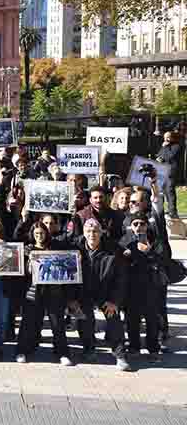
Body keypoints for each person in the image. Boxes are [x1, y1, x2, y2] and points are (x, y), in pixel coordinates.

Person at [15, 222, 80, 366]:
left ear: (46, 233)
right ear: (32, 234)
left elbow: (69, 255)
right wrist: (29, 265)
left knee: (57, 324)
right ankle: (22, 351)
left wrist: (75, 259)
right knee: (28, 323)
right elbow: (22, 273)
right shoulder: (28, 250)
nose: (39, 236)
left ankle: (62, 352)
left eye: (42, 233)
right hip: (33, 292)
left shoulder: (56, 247)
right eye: (36, 233)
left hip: (54, 292)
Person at [74, 219, 130, 371]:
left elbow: (121, 279)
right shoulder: (75, 246)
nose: (92, 234)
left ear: (102, 232)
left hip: (106, 291)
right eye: (89, 231)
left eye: (96, 231)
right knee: (84, 318)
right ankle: (89, 349)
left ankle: (119, 354)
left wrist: (114, 301)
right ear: (84, 233)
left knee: (114, 319)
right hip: (84, 291)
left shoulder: (113, 249)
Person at [121, 211, 168, 362]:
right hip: (132, 288)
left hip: (151, 287)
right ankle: (134, 347)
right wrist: (127, 254)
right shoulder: (125, 241)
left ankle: (153, 349)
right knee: (132, 320)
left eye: (142, 224)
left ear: (147, 226)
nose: (139, 227)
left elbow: (163, 260)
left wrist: (149, 251)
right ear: (131, 226)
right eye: (136, 224)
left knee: (152, 321)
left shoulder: (155, 241)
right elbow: (119, 262)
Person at [155, 131, 181, 219]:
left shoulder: (176, 146)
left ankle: (173, 211)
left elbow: (170, 156)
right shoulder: (165, 146)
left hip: (171, 172)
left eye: (168, 137)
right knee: (164, 191)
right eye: (165, 137)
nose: (166, 139)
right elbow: (159, 155)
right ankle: (168, 209)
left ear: (172, 138)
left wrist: (164, 151)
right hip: (163, 171)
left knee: (170, 191)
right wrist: (159, 157)